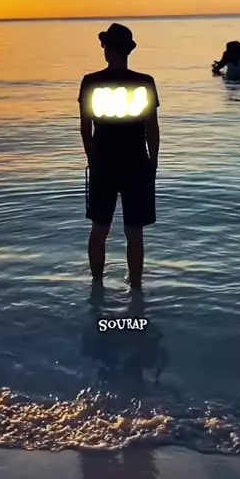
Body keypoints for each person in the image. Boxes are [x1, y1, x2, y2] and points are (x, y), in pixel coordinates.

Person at [78, 23, 160, 289]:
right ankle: (136, 288)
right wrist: (153, 163)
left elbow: (85, 128)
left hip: (103, 162)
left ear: (107, 49)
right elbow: (152, 128)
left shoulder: (91, 82)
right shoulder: (144, 82)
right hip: (137, 163)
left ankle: (96, 286)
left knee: (100, 228)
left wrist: (93, 159)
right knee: (134, 231)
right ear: (128, 51)